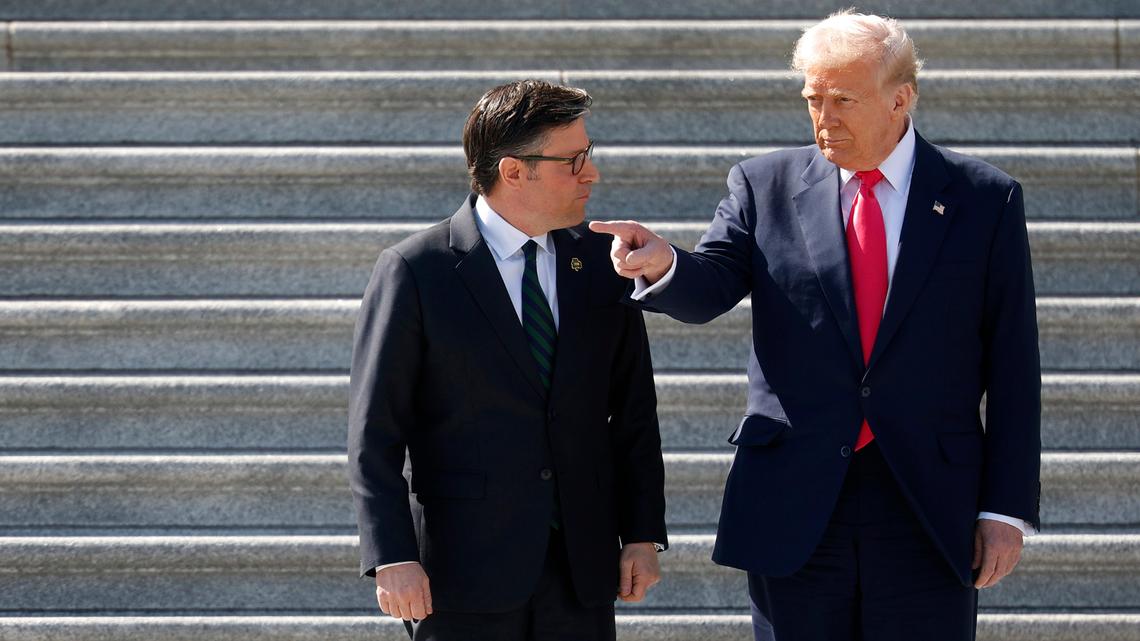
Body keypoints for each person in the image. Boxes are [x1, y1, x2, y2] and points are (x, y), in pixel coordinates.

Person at [590, 11, 1041, 641]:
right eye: (812, 98)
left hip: (927, 504)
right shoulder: (762, 183)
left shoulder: (984, 198)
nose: (824, 116)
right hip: (794, 500)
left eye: (843, 99)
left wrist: (1006, 508)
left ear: (900, 98)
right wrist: (665, 265)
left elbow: (1014, 364)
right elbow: (710, 286)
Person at [347, 79, 668, 641]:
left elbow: (634, 413)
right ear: (514, 171)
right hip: (460, 575)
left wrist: (641, 533)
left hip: (581, 572)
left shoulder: (602, 263)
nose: (590, 174)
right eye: (574, 161)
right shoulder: (417, 269)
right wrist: (391, 555)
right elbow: (375, 432)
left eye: (587, 156)